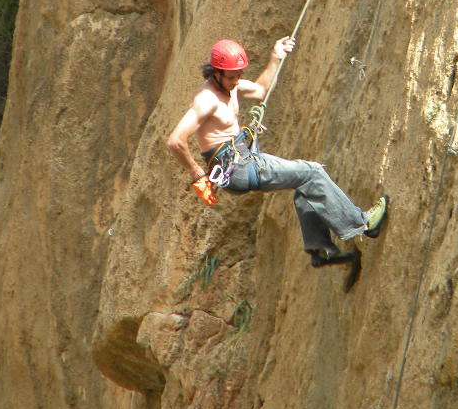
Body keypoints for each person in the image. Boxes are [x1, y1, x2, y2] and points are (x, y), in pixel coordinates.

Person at [166, 37, 389, 288]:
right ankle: (362, 224)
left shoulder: (231, 86)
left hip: (245, 158)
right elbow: (175, 140)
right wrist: (197, 174)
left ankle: (322, 250)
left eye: (239, 74)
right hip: (238, 167)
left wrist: (275, 57)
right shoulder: (207, 100)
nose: (236, 80)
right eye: (231, 76)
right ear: (215, 73)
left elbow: (261, 90)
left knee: (305, 184)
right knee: (312, 173)